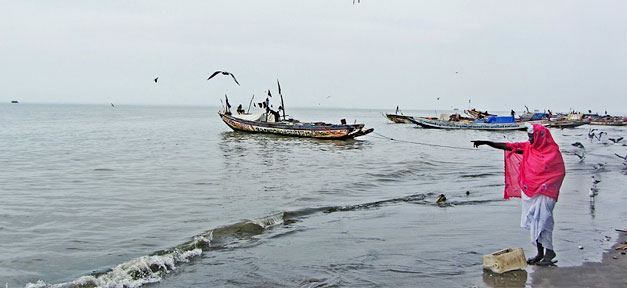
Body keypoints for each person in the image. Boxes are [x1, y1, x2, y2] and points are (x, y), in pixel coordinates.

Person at [471, 123, 565, 266]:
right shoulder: (529, 148)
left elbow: (559, 172)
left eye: (532, 136)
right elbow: (508, 146)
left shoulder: (553, 152)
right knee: (534, 220)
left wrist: (546, 184)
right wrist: (486, 142)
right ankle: (540, 253)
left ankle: (550, 252)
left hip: (546, 192)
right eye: (528, 136)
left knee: (544, 220)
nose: (530, 139)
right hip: (531, 191)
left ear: (540, 136)